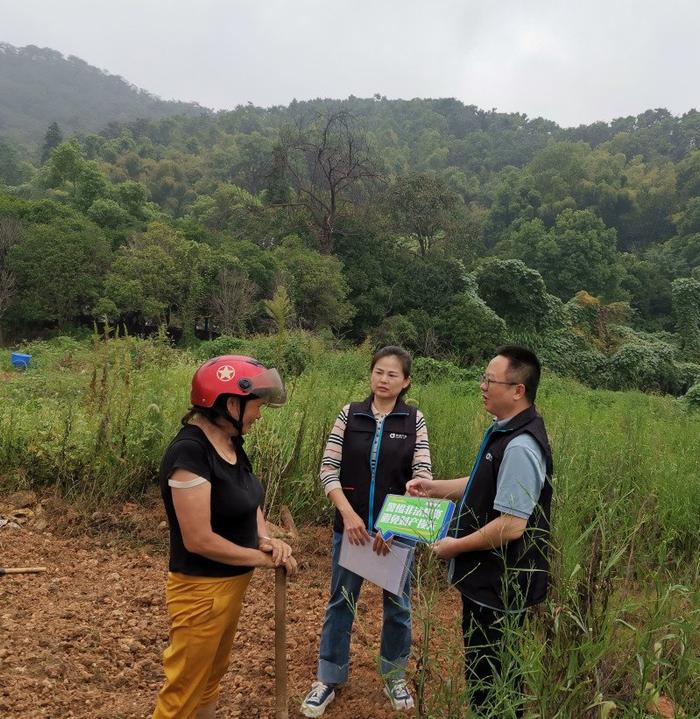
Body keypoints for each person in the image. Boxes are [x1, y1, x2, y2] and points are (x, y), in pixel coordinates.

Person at [407, 346, 553, 717]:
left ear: (518, 390)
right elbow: (482, 485)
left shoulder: (520, 445)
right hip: (487, 582)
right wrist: (432, 486)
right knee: (486, 671)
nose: (483, 385)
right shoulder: (505, 432)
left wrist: (454, 547)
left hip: (500, 585)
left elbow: (510, 526)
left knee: (494, 679)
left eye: (490, 379)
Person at [152, 355, 298, 719]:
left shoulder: (231, 442)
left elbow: (250, 501)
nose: (259, 415)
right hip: (201, 593)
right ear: (231, 404)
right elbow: (199, 539)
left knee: (210, 680)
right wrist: (262, 558)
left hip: (231, 588)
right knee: (183, 690)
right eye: (256, 406)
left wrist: (265, 539)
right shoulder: (190, 452)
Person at [300, 346, 433, 717]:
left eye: (393, 374)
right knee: (341, 601)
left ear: (405, 381)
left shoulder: (413, 420)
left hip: (395, 534)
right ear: (370, 375)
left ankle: (394, 675)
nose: (384, 379)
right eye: (378, 371)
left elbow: (422, 477)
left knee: (398, 605)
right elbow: (328, 469)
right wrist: (348, 515)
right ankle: (329, 676)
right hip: (353, 529)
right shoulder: (350, 414)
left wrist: (393, 525)